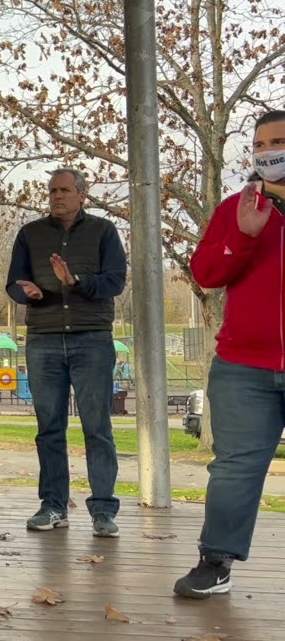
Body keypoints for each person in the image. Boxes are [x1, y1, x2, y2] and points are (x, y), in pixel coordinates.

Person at [174, 110, 285, 599]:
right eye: (260, 144)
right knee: (235, 467)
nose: (268, 151)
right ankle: (215, 560)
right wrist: (242, 235)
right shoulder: (235, 208)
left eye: (278, 141)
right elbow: (205, 273)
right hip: (244, 366)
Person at [5, 168, 127, 537]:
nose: (57, 196)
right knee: (50, 429)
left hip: (91, 339)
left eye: (64, 190)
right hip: (43, 339)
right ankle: (53, 505)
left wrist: (75, 281)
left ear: (82, 194)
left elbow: (115, 282)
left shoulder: (103, 231)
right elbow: (13, 282)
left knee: (97, 428)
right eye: (52, 190)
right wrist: (25, 291)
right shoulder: (30, 234)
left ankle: (103, 511)